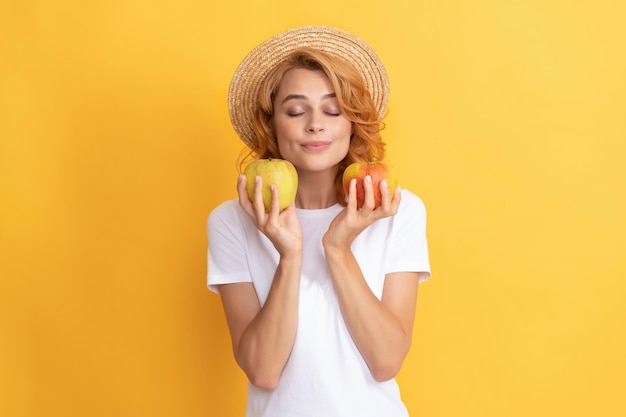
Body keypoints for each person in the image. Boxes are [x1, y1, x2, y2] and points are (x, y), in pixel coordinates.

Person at [207, 26, 431, 417]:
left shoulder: (395, 210)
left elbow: (386, 362)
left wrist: (337, 248)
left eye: (332, 110)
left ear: (352, 123)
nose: (315, 124)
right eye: (296, 111)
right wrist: (290, 255)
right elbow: (263, 371)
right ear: (272, 123)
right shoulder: (232, 221)